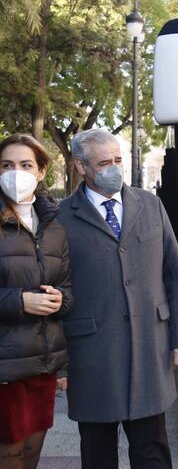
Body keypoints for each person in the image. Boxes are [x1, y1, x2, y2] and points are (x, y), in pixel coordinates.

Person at [58, 129, 178, 469]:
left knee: (152, 450)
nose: (114, 168)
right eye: (103, 163)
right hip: (92, 355)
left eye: (118, 160)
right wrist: (58, 365)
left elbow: (175, 273)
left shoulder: (150, 205)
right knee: (98, 453)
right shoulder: (60, 217)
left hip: (149, 346)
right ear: (81, 166)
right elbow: (57, 287)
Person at [0, 134, 73, 469]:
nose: (16, 173)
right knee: (10, 457)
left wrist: (60, 299)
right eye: (7, 165)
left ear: (41, 171)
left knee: (30, 455)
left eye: (26, 165)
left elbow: (68, 291)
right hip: (5, 366)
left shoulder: (54, 226)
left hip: (42, 364)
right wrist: (20, 301)